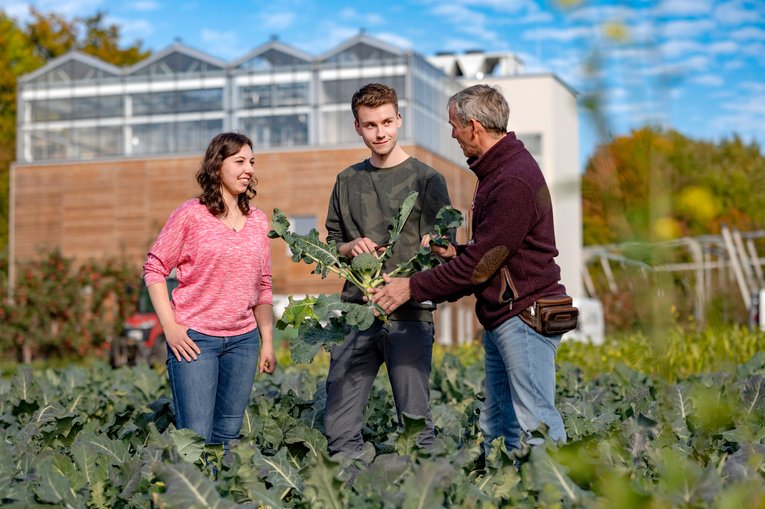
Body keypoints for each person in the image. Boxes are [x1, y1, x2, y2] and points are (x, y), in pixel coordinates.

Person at [370, 84, 567, 452]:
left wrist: (410, 287)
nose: (452, 134)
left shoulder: (512, 180)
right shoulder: (499, 170)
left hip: (523, 315)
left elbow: (482, 266)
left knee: (535, 422)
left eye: (454, 126)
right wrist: (455, 252)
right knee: (501, 423)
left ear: (473, 126)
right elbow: (493, 252)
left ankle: (556, 494)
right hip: (504, 316)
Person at [323, 83, 452, 456]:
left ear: (399, 119)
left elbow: (444, 250)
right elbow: (331, 244)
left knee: (415, 428)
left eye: (386, 122)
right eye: (369, 125)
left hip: (409, 316)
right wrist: (350, 246)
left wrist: (431, 252)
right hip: (356, 316)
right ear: (357, 128)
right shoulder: (347, 181)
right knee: (340, 429)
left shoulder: (428, 180)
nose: (379, 132)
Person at [143, 132, 276, 446]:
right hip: (196, 341)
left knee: (228, 436)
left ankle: (220, 496)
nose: (249, 169)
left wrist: (266, 340)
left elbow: (264, 285)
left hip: (243, 342)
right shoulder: (191, 215)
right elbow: (154, 268)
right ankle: (190, 495)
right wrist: (170, 328)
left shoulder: (259, 221)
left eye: (252, 162)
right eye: (240, 161)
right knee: (196, 437)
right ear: (217, 167)